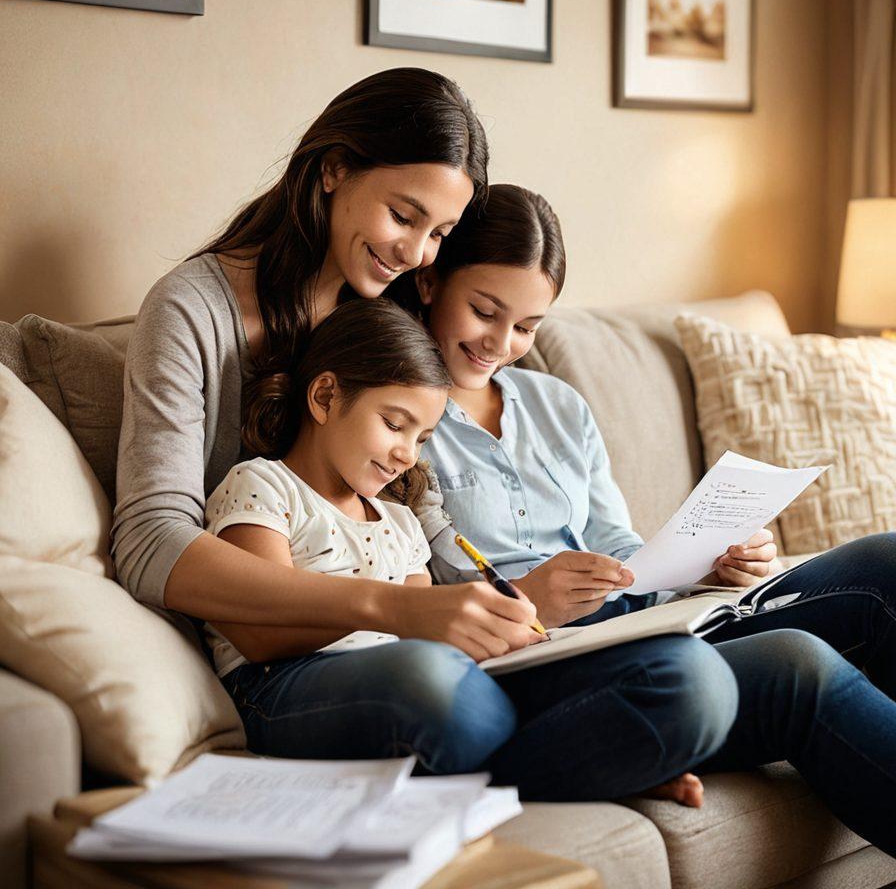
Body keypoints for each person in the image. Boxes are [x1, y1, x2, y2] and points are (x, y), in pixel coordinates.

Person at [390, 183, 896, 852]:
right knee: (796, 663)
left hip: (635, 623)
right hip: (532, 660)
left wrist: (705, 564)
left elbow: (616, 545)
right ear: (430, 281)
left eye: (527, 327)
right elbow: (400, 579)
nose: (501, 343)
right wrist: (527, 599)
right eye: (485, 312)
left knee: (884, 565)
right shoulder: (396, 414)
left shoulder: (555, 404)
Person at [112, 68, 540, 671]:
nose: (415, 254)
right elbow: (150, 540)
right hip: (291, 662)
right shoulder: (192, 310)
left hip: (407, 643)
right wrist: (386, 607)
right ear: (334, 168)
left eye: (438, 233)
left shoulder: (398, 312)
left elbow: (425, 517)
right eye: (402, 214)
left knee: (680, 677)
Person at [204, 298, 528, 770]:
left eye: (421, 439)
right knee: (428, 677)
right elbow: (262, 631)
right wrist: (396, 612)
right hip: (279, 685)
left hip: (398, 680)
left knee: (484, 676)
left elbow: (426, 633)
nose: (408, 455)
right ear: (325, 398)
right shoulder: (261, 485)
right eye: (395, 425)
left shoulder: (399, 520)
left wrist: (494, 635)